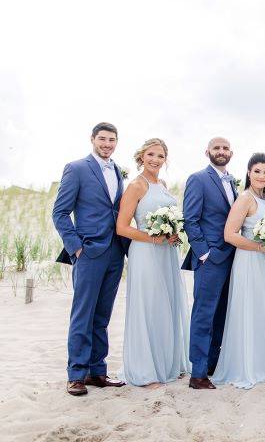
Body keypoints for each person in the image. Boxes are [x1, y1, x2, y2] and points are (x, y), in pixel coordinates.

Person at [52, 122, 129, 396]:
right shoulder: (77, 168)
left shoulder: (118, 170)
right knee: (82, 313)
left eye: (112, 140)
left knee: (102, 315)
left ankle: (97, 371)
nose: (107, 144)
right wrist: (76, 248)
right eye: (103, 139)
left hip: (115, 252)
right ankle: (76, 374)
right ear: (92, 139)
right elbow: (60, 213)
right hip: (88, 251)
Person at [116, 138, 190, 387]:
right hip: (146, 253)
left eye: (160, 156)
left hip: (167, 252)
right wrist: (153, 237)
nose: (155, 160)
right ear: (141, 156)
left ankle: (167, 363)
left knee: (166, 305)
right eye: (151, 155)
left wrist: (174, 232)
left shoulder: (163, 184)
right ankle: (146, 371)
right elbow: (122, 228)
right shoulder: (136, 186)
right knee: (147, 306)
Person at [212, 153, 265, 388]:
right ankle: (248, 365)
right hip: (251, 261)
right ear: (248, 173)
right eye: (257, 171)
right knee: (251, 309)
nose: (262, 176)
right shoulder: (245, 198)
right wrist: (259, 247)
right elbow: (230, 234)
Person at [182, 137, 238, 389]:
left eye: (225, 148)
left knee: (221, 314)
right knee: (204, 314)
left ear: (231, 153)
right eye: (216, 148)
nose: (221, 151)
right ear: (207, 152)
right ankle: (198, 373)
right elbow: (190, 220)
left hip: (232, 257)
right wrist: (204, 253)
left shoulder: (232, 182)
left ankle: (213, 364)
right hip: (211, 259)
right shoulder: (198, 179)